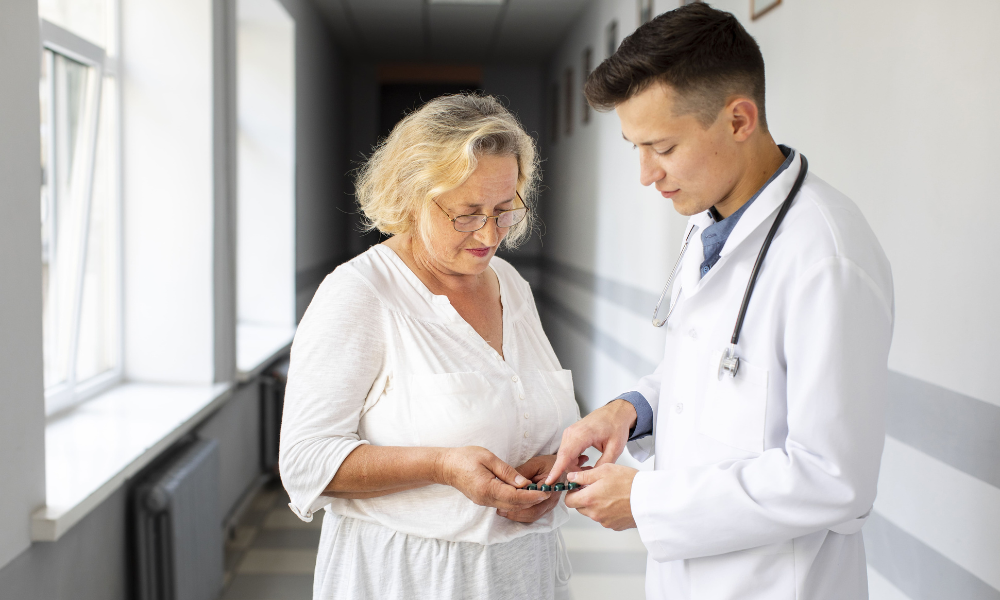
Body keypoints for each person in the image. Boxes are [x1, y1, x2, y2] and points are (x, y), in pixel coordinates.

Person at [545, 4, 894, 599]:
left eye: (662, 146)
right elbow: (715, 370)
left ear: (738, 119)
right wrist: (628, 412)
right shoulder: (712, 218)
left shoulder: (825, 257)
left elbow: (833, 478)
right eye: (636, 147)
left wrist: (644, 499)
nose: (646, 174)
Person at [279, 94, 582, 600]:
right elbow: (305, 462)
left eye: (504, 210)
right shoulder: (359, 293)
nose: (490, 233)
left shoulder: (509, 283)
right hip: (410, 579)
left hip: (524, 575)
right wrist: (443, 467)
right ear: (413, 194)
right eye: (467, 214)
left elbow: (522, 411)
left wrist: (546, 467)